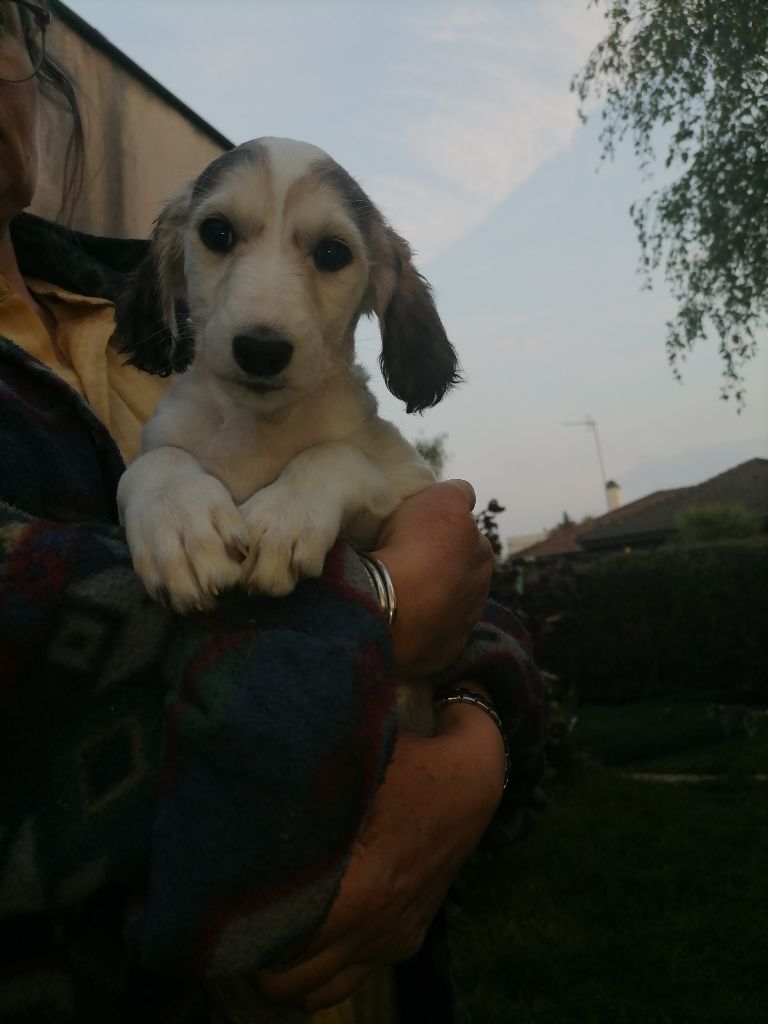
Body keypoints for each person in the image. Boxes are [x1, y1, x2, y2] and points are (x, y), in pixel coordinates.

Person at [0, 3, 545, 1021]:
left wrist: (477, 746)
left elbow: (462, 566)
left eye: (328, 254)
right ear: (178, 262)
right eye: (222, 236)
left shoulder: (356, 448)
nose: (264, 315)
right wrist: (163, 486)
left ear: (378, 288)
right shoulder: (170, 438)